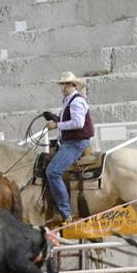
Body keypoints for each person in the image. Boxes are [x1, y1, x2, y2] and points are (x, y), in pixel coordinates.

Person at [42, 72, 95, 225]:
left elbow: (78, 123)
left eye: (66, 84)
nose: (63, 87)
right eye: (62, 84)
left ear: (74, 85)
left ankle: (66, 213)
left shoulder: (76, 101)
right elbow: (72, 121)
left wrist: (57, 124)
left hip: (76, 143)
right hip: (70, 142)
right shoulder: (68, 100)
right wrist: (57, 119)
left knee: (52, 172)